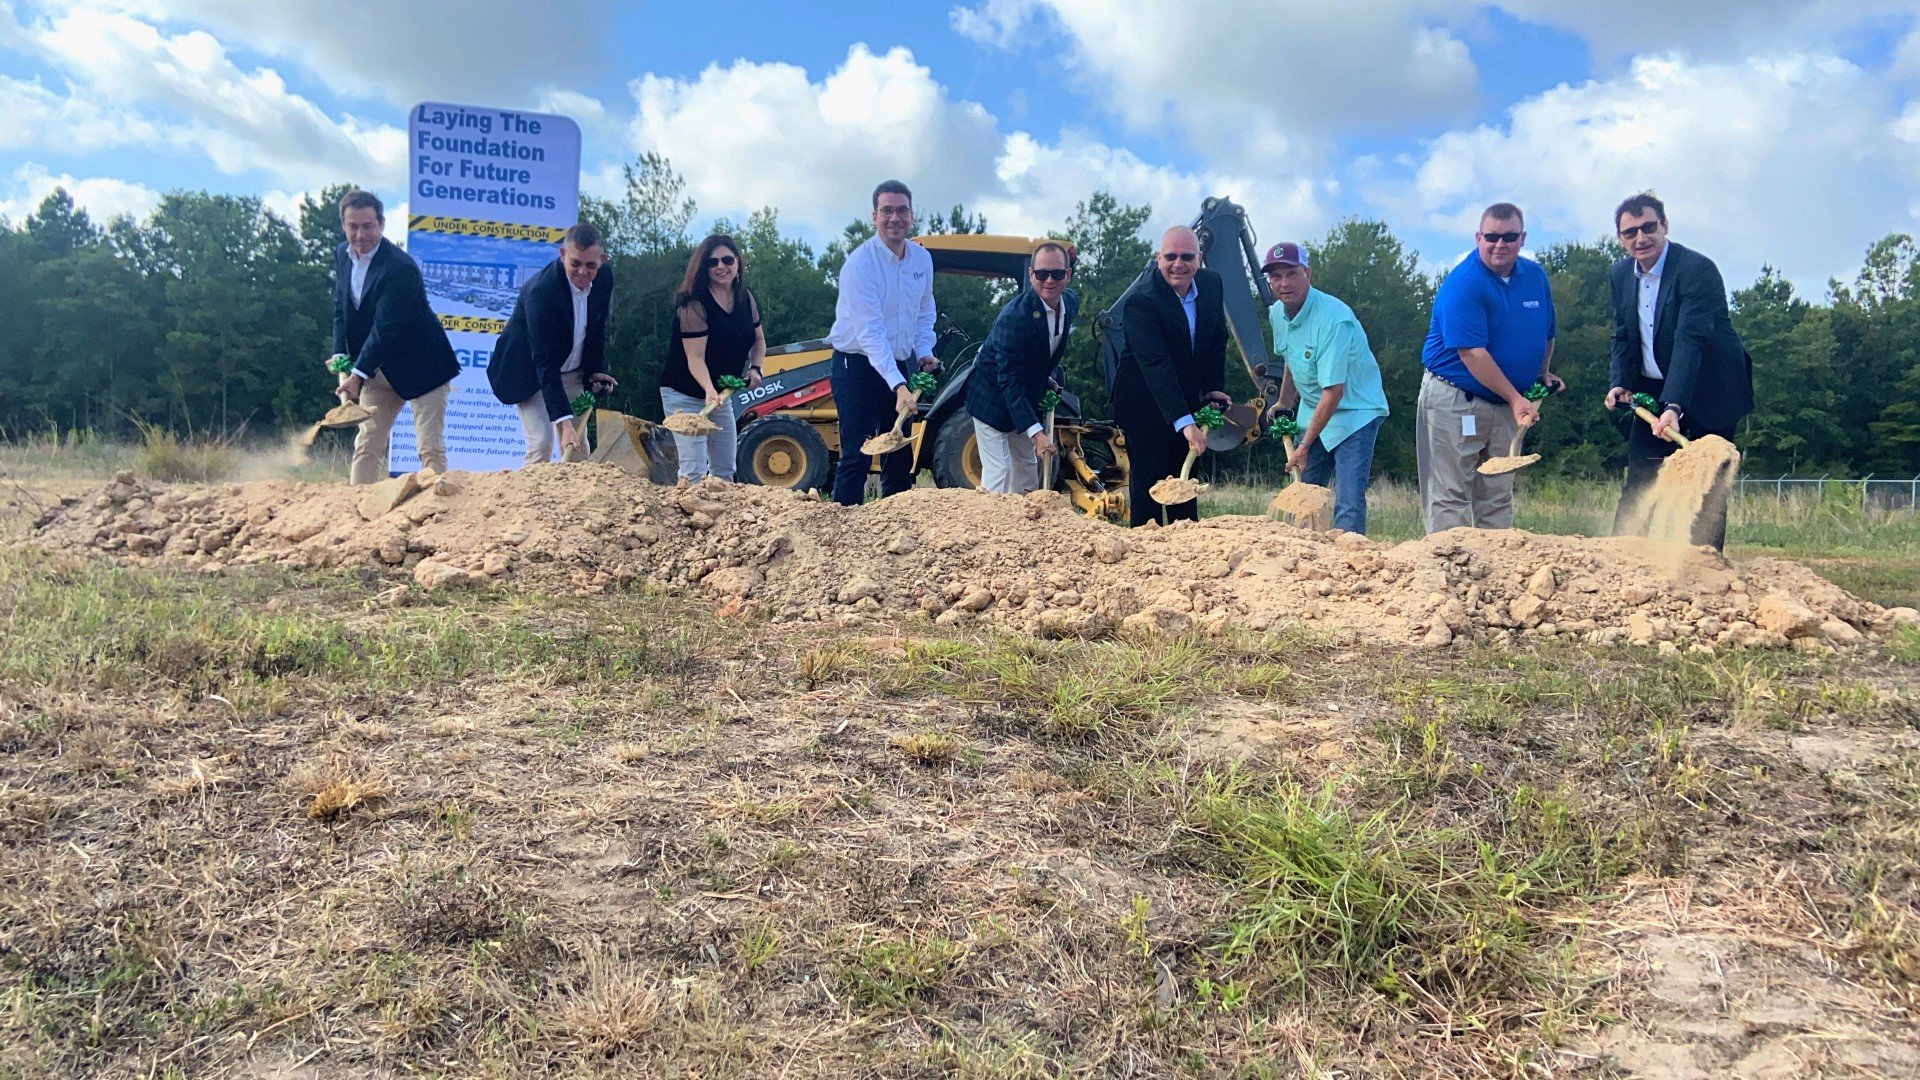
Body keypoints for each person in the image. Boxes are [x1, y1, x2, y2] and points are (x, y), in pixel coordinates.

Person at [1605, 193, 1754, 549]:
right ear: (1620, 238)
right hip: (1652, 390)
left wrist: (1673, 407)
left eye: (1648, 227)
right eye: (1630, 232)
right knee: (1641, 475)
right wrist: (1620, 383)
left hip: (1710, 391)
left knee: (1704, 487)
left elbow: (1691, 341)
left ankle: (1705, 567)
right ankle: (1623, 562)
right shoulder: (1619, 274)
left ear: (1664, 226)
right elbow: (1624, 334)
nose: (1640, 238)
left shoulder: (1697, 270)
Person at [1415, 202, 1561, 533]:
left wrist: (1542, 373)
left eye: (1509, 236)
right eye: (1492, 237)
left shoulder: (1535, 277)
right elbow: (1472, 353)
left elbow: (1546, 333)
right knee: (1450, 494)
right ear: (1478, 237)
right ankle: (1447, 573)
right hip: (1456, 399)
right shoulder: (1464, 283)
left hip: (1509, 403)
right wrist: (1515, 398)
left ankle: (1496, 576)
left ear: (1522, 238)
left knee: (1497, 494)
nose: (1500, 245)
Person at [330, 189, 460, 485]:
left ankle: (442, 514)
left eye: (368, 226)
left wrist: (357, 374)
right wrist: (340, 357)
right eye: (353, 226)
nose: (360, 234)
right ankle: (354, 513)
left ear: (382, 224)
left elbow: (385, 327)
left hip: (423, 367)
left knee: (428, 447)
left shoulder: (400, 268)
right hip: (377, 369)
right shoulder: (342, 255)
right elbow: (340, 309)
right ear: (343, 226)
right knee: (367, 444)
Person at [1263, 242, 1390, 534]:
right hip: (1313, 408)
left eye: (1292, 274)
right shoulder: (1277, 314)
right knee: (1302, 493)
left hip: (1355, 412)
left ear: (1307, 273)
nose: (1284, 283)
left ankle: (1349, 563)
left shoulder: (1335, 320)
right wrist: (1284, 402)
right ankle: (1303, 558)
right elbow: (1291, 358)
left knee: (1347, 499)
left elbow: (1334, 391)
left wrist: (1304, 445)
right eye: (1276, 276)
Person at [826, 179, 939, 506]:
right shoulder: (860, 264)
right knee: (857, 455)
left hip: (900, 364)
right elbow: (871, 334)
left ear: (911, 215)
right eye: (887, 211)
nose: (894, 218)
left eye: (901, 210)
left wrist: (925, 351)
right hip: (856, 364)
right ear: (874, 216)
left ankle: (897, 529)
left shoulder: (921, 260)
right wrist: (899, 387)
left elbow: (924, 309)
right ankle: (843, 532)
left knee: (899, 453)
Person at [1112, 226, 1230, 527]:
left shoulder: (1212, 285)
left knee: (1185, 487)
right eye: (1171, 256)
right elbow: (1156, 365)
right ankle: (1146, 559)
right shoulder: (1141, 302)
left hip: (1187, 399)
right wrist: (1185, 422)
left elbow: (1217, 337)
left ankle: (1185, 556)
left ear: (1199, 258)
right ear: (1158, 257)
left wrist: (1213, 387)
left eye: (1187, 257)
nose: (1179, 264)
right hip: (1142, 404)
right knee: (1150, 489)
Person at [487, 223, 616, 465]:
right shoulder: (542, 291)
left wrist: (596, 370)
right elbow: (544, 361)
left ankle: (575, 502)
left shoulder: (605, 278)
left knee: (578, 449)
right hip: (531, 372)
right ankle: (530, 502)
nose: (582, 272)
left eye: (591, 265)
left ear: (602, 260)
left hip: (573, 371)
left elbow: (598, 327)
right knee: (541, 444)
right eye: (575, 263)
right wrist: (563, 421)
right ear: (563, 254)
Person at [964, 241, 1078, 495]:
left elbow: (1040, 352)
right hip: (991, 397)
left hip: (1024, 396)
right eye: (1041, 274)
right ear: (1031, 275)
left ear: (1068, 275)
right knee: (1000, 472)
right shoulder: (1014, 318)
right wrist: (1038, 435)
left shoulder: (1070, 303)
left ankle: (1026, 527)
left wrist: (1043, 377)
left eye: (1057, 273)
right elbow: (1009, 380)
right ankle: (992, 530)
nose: (1049, 280)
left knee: (1027, 466)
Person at [660, 235, 766, 481]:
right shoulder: (693, 305)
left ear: (737, 263)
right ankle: (688, 517)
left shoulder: (745, 298)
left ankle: (722, 518)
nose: (721, 266)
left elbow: (759, 340)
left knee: (725, 468)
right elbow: (695, 357)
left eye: (727, 259)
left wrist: (756, 368)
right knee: (693, 470)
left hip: (720, 395)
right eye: (713, 262)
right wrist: (708, 389)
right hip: (683, 394)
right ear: (703, 268)